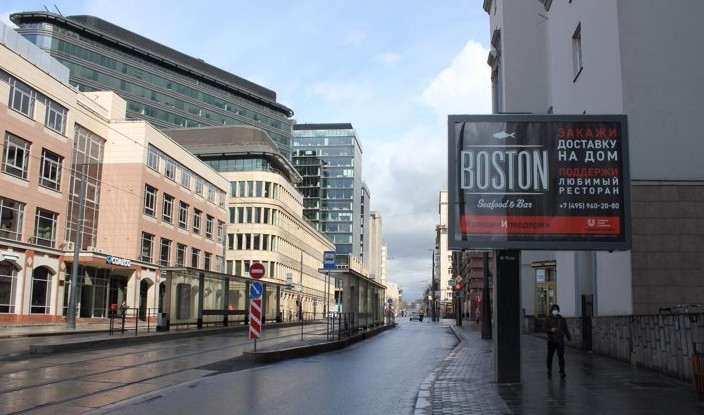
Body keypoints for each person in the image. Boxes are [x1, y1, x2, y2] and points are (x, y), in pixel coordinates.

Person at [544, 304, 571, 378]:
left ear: (558, 311)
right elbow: (544, 328)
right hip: (551, 341)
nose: (555, 311)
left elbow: (565, 329)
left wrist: (569, 337)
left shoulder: (562, 319)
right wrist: (550, 330)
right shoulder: (548, 319)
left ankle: (562, 371)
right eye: (554, 309)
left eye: (556, 309)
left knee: (561, 356)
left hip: (560, 341)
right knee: (550, 356)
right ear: (551, 311)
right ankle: (549, 368)